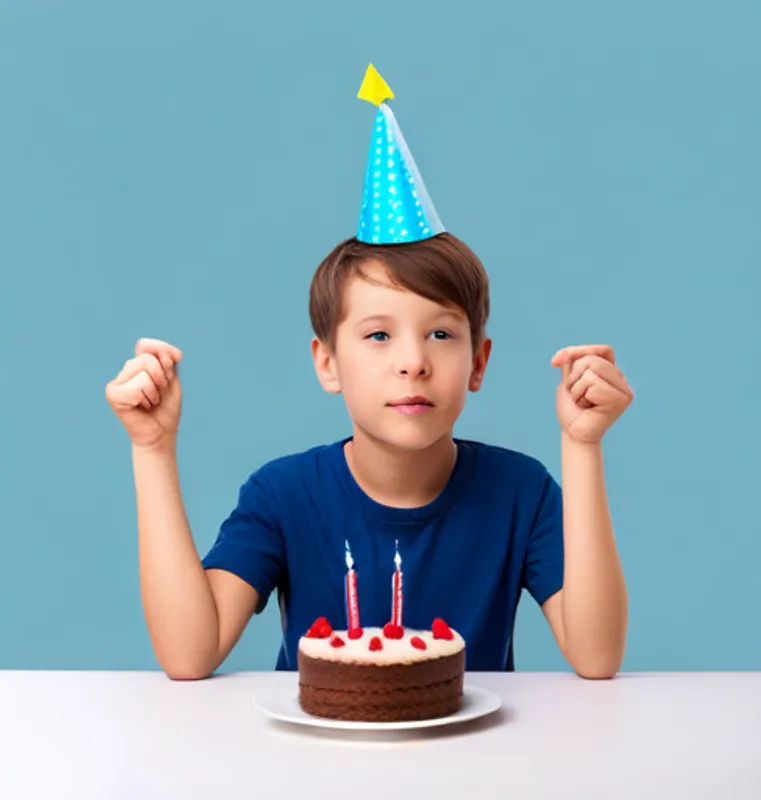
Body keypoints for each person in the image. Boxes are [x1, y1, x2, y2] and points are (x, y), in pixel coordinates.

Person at [105, 66, 633, 681]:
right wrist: (152, 448)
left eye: (440, 333)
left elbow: (597, 658)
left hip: (473, 767)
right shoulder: (284, 495)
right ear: (327, 363)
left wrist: (583, 445)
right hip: (312, 770)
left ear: (478, 363)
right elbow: (188, 655)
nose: (413, 360)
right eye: (379, 336)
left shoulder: (522, 492)